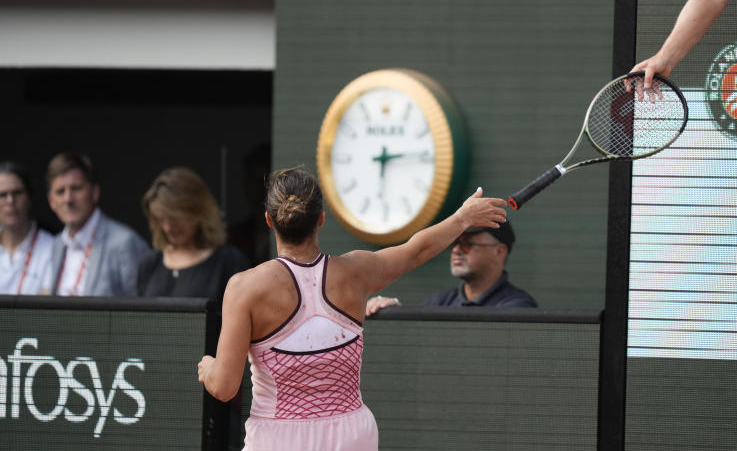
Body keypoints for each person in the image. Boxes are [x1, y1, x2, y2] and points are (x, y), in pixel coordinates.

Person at [197, 167, 506, 450]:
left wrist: (208, 367)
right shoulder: (357, 271)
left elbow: (224, 387)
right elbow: (416, 251)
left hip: (277, 438)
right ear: (321, 218)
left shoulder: (244, 288)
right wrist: (463, 217)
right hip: (351, 436)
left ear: (268, 219)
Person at [365, 220, 536, 316]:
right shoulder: (439, 301)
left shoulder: (518, 307)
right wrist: (395, 311)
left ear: (499, 252)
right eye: (455, 243)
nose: (456, 250)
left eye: (467, 244)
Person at [138, 166, 249, 303]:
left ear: (198, 212)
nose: (167, 227)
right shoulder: (150, 263)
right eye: (161, 219)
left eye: (174, 219)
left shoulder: (228, 262)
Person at [45, 152, 149, 297]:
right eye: (60, 191)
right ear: (51, 201)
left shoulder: (124, 243)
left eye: (76, 188)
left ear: (95, 192)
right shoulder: (56, 244)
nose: (68, 199)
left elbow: (141, 310)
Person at [0, 161, 56, 295]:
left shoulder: (52, 247)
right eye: (2, 195)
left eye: (17, 193)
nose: (10, 201)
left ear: (29, 197)